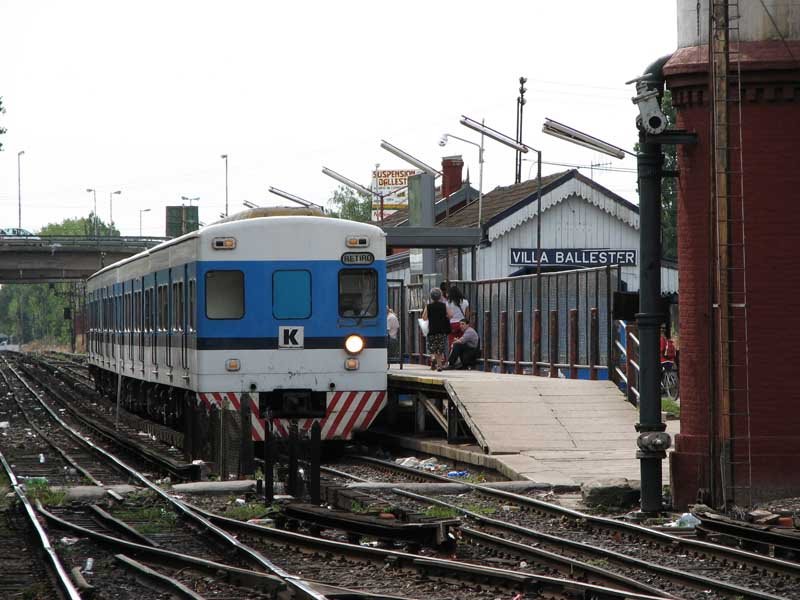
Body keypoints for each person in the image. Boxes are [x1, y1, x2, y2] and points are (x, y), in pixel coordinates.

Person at [422, 287, 451, 371]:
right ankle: (439, 366)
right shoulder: (443, 306)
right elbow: (450, 315)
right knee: (440, 349)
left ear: (431, 297)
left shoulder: (429, 306)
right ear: (440, 296)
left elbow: (424, 317)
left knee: (433, 348)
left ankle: (433, 358)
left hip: (432, 330)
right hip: (441, 330)